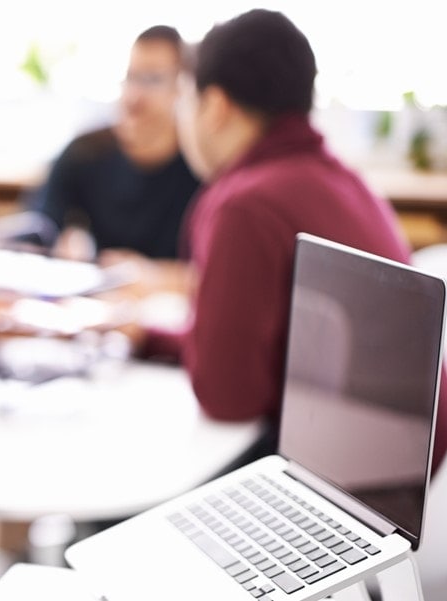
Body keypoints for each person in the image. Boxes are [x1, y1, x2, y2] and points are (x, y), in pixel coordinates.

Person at [160, 8, 446, 472]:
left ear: (214, 107)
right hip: (402, 464)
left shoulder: (243, 204)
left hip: (340, 480)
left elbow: (228, 396)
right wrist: (150, 336)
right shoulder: (343, 180)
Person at [21, 25, 201, 264]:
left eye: (152, 80)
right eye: (131, 77)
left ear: (184, 88)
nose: (134, 96)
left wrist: (156, 277)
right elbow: (38, 227)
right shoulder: (85, 152)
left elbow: (214, 268)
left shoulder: (200, 168)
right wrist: (65, 240)